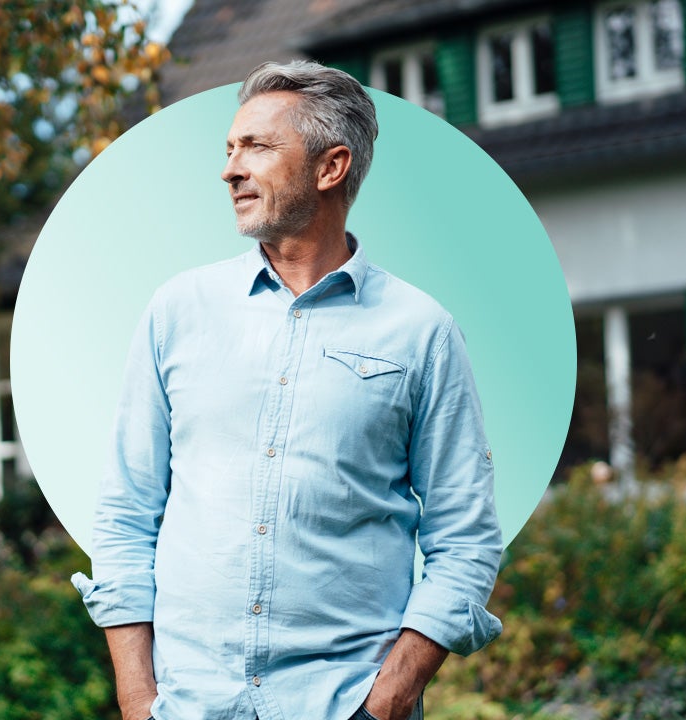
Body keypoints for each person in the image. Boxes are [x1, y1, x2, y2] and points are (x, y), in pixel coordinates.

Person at [73, 60, 503, 720]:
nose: (230, 169)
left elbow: (466, 540)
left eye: (257, 147)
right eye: (229, 149)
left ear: (331, 168)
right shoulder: (177, 311)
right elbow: (127, 514)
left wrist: (385, 702)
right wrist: (137, 701)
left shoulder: (420, 332)